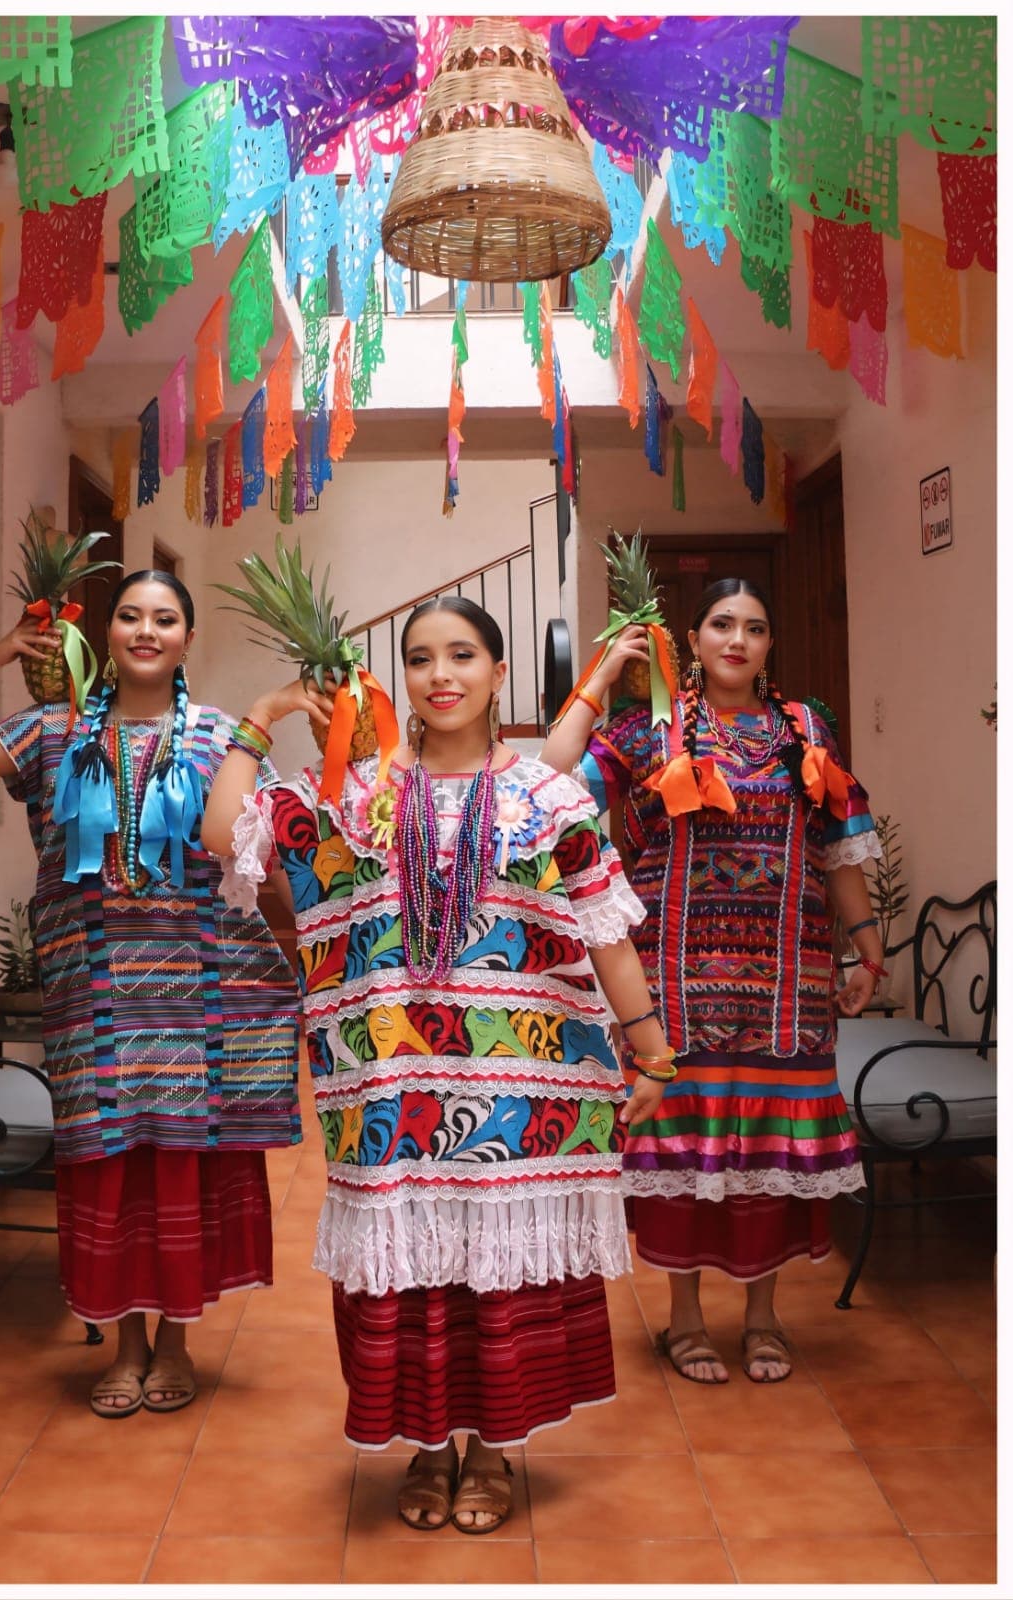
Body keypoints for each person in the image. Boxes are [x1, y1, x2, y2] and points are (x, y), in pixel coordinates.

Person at [203, 596, 675, 1533]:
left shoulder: (550, 797)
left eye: (463, 654)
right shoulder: (355, 791)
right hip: (389, 1096)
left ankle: (493, 1451)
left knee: (500, 1278)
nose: (441, 674)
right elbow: (226, 837)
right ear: (399, 678)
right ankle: (425, 1448)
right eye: (419, 658)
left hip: (526, 1093)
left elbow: (606, 928)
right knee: (408, 1275)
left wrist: (652, 1049)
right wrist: (265, 712)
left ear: (500, 673)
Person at [0, 571, 302, 1417]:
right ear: (106, 634)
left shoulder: (218, 738)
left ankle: (173, 1343)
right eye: (129, 615)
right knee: (110, 1166)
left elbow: (256, 857)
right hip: (93, 996)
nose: (145, 630)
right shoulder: (53, 733)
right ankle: (124, 1347)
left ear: (186, 639)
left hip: (198, 998)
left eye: (164, 618)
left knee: (178, 1167)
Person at [541, 577, 882, 1384]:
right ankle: (684, 1320)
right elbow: (550, 778)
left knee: (771, 1151)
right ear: (689, 642)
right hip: (673, 987)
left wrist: (866, 948)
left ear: (769, 646)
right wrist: (596, 678)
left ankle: (763, 1319)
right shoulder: (645, 729)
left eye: (754, 628)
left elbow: (838, 847)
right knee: (680, 1159)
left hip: (787, 989)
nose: (738, 639)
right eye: (721, 625)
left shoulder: (805, 731)